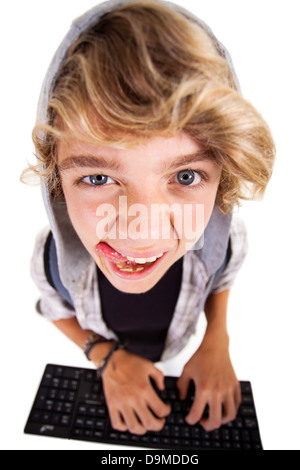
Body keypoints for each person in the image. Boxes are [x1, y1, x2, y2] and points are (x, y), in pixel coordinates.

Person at [25, 0, 275, 436]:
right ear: (57, 183)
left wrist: (218, 338)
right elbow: (53, 307)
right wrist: (107, 358)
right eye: (98, 176)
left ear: (224, 178)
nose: (142, 230)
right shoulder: (51, 261)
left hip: (179, 352)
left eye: (185, 174)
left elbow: (223, 276)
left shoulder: (224, 241)